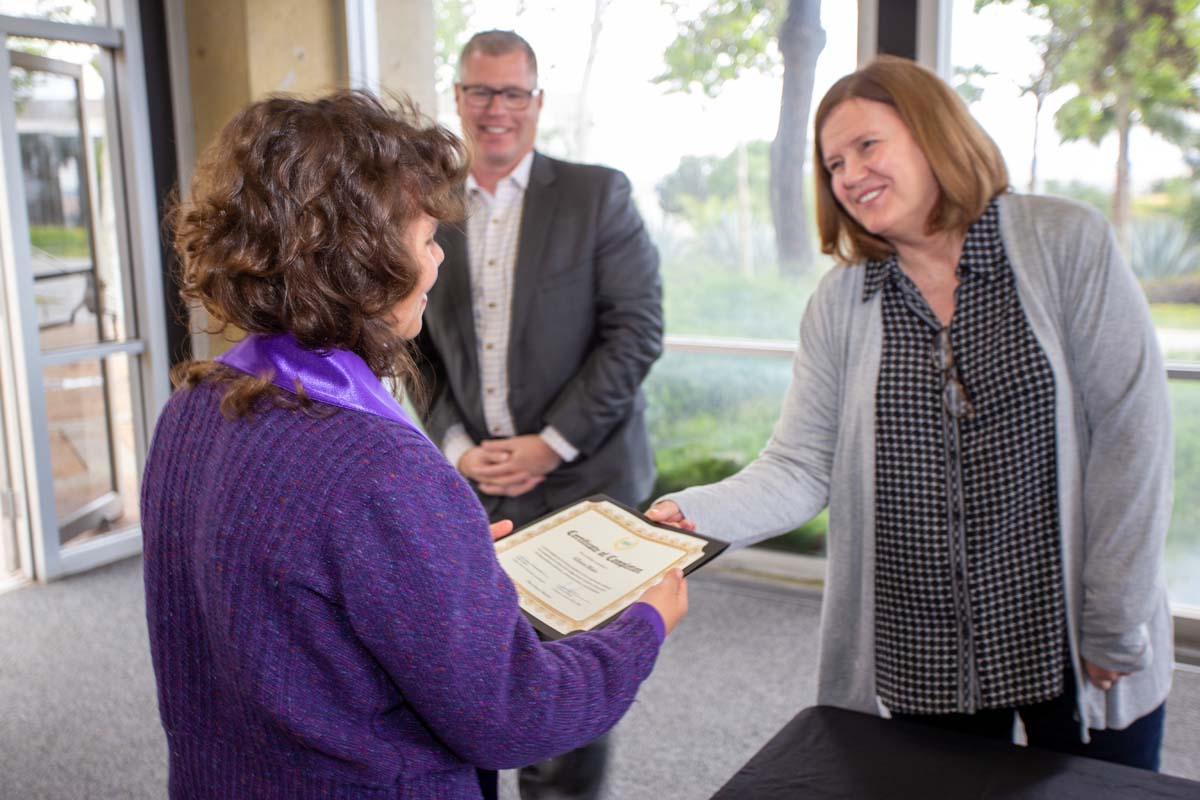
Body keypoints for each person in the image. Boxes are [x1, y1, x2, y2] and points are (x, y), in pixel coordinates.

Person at [141, 90, 687, 800]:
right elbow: (514, 713)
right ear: (360, 260)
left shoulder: (191, 409)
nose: (436, 264)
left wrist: (441, 561)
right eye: (427, 239)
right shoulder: (378, 469)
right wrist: (644, 624)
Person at [647, 55, 1174, 770]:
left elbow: (1131, 440)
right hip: (924, 647)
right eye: (833, 163)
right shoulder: (841, 302)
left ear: (934, 134)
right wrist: (694, 514)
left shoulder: (1065, 243)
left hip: (1067, 633)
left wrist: (1116, 622)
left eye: (868, 145)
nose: (849, 174)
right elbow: (800, 466)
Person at [414, 30, 663, 799]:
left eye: (512, 92)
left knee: (569, 695)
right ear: (457, 99)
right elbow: (411, 342)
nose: (496, 110)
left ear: (537, 102)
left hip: (583, 481)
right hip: (475, 489)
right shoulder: (428, 207)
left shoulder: (597, 196)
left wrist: (549, 445)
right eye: (480, 92)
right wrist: (454, 444)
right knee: (475, 682)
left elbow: (636, 331)